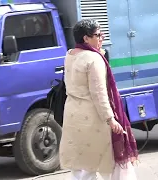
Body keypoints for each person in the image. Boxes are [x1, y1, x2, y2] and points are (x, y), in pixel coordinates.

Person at [59, 19, 138, 180]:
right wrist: (111, 119)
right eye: (97, 35)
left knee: (79, 164)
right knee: (95, 163)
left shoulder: (70, 55)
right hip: (92, 118)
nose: (102, 38)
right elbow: (99, 93)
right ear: (85, 38)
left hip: (73, 114)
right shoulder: (93, 59)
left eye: (102, 34)